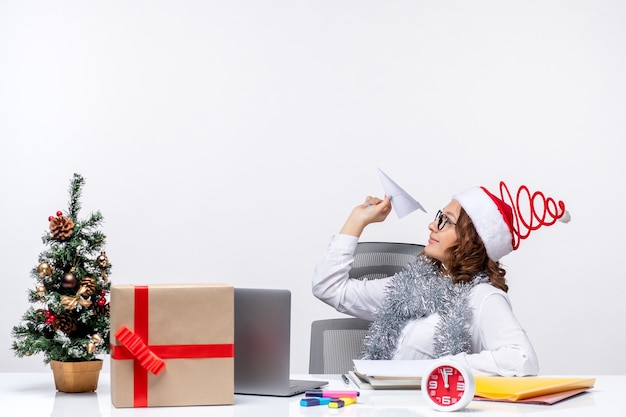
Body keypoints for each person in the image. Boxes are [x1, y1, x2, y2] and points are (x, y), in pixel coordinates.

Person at [312, 182, 569, 376]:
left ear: (472, 241)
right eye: (439, 216)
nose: (432, 225)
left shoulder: (483, 298)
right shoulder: (411, 287)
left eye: (446, 221)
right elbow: (329, 287)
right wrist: (357, 220)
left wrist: (440, 368)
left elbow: (522, 359)